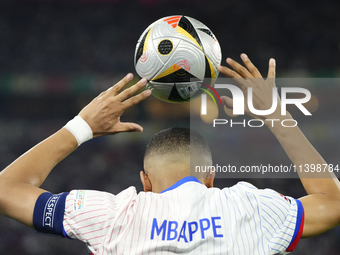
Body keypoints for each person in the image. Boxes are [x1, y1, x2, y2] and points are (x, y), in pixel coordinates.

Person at [0, 54, 340, 255]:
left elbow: (6, 189)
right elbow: (332, 202)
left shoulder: (111, 215)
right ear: (211, 178)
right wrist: (278, 116)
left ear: (144, 182)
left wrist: (81, 126)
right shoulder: (252, 208)